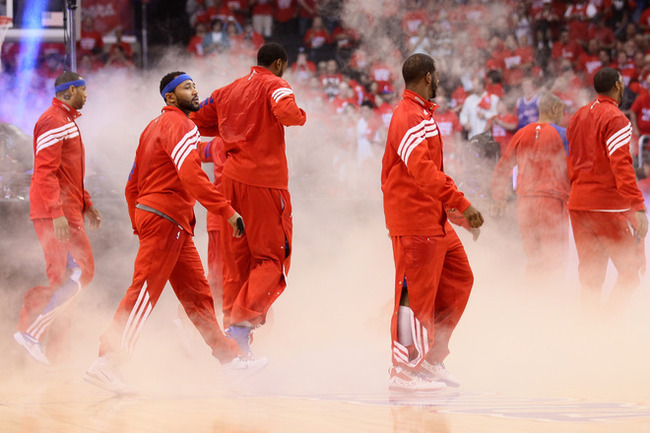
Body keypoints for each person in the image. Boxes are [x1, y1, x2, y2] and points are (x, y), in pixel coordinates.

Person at [84, 72, 266, 395]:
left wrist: (137, 221)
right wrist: (226, 210)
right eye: (186, 87)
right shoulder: (182, 125)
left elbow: (131, 185)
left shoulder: (150, 129)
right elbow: (192, 176)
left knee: (198, 298)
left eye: (195, 85)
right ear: (170, 97)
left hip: (169, 222)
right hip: (167, 218)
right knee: (143, 292)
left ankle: (229, 361)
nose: (195, 91)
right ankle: (108, 360)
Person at [191, 43, 306, 358]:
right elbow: (288, 113)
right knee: (271, 259)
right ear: (279, 63)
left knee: (237, 263)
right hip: (264, 183)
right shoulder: (275, 84)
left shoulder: (227, 90)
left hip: (231, 184)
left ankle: (235, 346)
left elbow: (200, 121)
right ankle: (241, 326)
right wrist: (300, 115)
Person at [381, 53, 484, 392]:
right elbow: (424, 174)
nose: (438, 79)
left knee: (460, 278)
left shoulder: (421, 114)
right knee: (413, 298)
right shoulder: (408, 116)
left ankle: (430, 358)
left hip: (434, 219)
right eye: (436, 74)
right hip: (415, 221)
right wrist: (463, 205)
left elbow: (430, 175)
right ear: (427, 76)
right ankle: (403, 369)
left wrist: (456, 214)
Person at [13, 72, 101, 367]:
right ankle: (31, 333)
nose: (87, 95)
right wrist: (57, 212)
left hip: (67, 209)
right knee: (79, 275)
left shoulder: (66, 121)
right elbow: (45, 171)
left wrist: (86, 203)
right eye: (84, 90)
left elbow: (69, 172)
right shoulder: (53, 120)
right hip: (57, 213)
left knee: (66, 281)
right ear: (70, 90)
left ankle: (55, 352)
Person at [567, 67, 648, 313]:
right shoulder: (616, 118)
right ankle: (607, 324)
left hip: (578, 203)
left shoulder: (577, 116)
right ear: (617, 86)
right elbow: (621, 165)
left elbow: (571, 161)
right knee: (631, 270)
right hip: (607, 205)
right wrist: (638, 206)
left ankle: (590, 329)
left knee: (591, 275)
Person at [492, 93, 570, 281]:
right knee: (554, 259)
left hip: (525, 203)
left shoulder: (522, 132)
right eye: (561, 112)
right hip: (551, 201)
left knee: (534, 259)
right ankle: (551, 305)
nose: (563, 116)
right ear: (553, 109)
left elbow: (502, 167)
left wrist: (498, 198)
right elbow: (574, 168)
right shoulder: (562, 134)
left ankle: (531, 303)